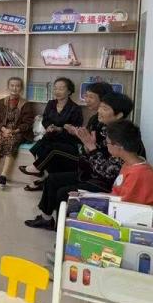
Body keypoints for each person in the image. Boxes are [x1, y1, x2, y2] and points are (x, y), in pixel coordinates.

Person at [25, 92, 136, 230]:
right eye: (101, 107)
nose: (100, 111)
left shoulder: (121, 136)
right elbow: (89, 155)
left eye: (105, 108)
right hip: (92, 172)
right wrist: (87, 146)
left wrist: (90, 147)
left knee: (63, 192)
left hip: (104, 183)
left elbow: (108, 173)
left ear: (119, 115)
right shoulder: (103, 127)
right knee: (52, 179)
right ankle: (46, 219)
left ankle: (62, 231)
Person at [21, 81, 113, 191]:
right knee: (47, 144)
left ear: (69, 91)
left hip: (75, 145)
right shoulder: (94, 118)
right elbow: (46, 119)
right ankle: (43, 177)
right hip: (68, 142)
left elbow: (91, 144)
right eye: (86, 96)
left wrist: (65, 130)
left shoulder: (76, 108)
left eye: (91, 97)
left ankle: (39, 170)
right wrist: (51, 127)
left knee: (54, 149)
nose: (87, 100)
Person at [0, 77, 34, 188]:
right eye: (12, 85)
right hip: (2, 129)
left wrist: (14, 131)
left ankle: (4, 175)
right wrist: (4, 129)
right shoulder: (0, 102)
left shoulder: (26, 104)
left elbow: (28, 123)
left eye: (17, 86)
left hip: (18, 131)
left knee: (11, 142)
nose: (14, 88)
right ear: (8, 87)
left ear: (21, 88)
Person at [108, 120, 153, 205]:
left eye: (107, 143)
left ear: (118, 145)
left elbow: (126, 205)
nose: (107, 145)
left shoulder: (138, 173)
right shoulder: (129, 164)